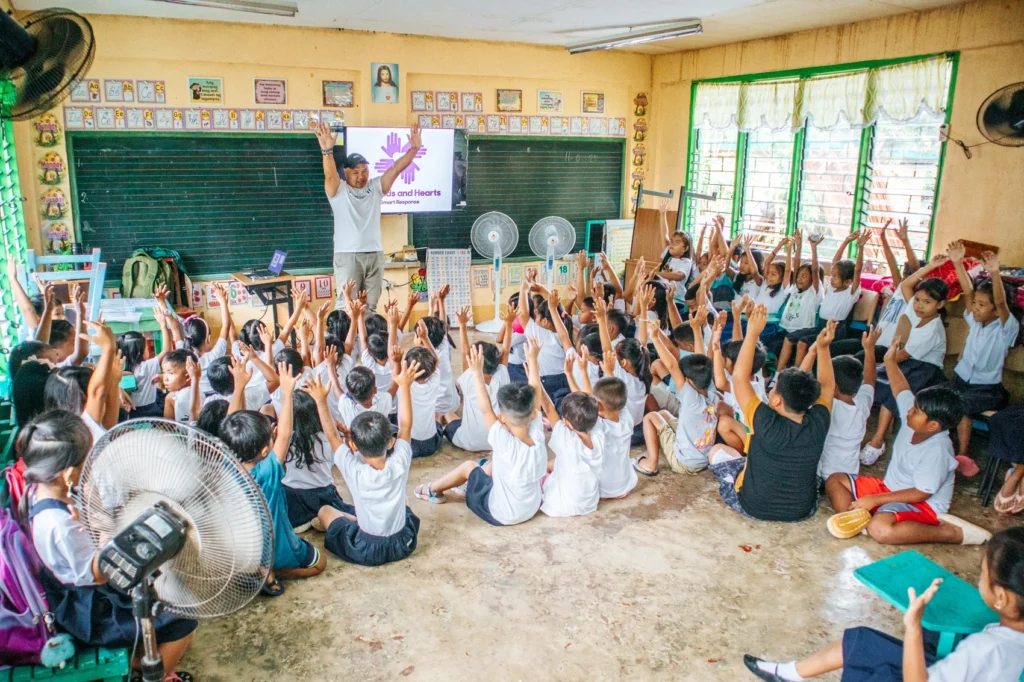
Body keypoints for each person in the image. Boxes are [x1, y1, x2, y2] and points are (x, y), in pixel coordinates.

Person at [21, 410, 196, 680]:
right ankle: (148, 670)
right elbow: (100, 570)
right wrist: (103, 530)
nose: (89, 470)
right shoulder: (57, 524)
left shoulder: (39, 490)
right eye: (85, 465)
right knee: (185, 620)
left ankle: (142, 660)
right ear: (67, 474)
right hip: (91, 611)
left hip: (82, 593)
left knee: (159, 582)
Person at [743, 526, 1024, 682]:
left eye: (983, 575)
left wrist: (912, 626)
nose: (979, 580)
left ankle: (789, 674)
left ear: (1002, 597)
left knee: (868, 649)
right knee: (929, 634)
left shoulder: (985, 649)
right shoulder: (1002, 640)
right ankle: (791, 673)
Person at [825, 341, 990, 546]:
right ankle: (857, 519)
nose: (908, 411)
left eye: (916, 411)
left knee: (881, 529)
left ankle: (950, 533)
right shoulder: (915, 419)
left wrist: (875, 501)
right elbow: (900, 388)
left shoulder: (938, 450)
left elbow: (921, 492)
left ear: (932, 425)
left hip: (922, 504)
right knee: (835, 479)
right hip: (889, 489)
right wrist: (890, 361)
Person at [709, 307, 834, 522]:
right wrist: (822, 349)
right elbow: (828, 386)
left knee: (717, 452)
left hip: (754, 506)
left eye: (774, 389)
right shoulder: (819, 421)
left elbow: (738, 378)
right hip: (802, 509)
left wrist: (752, 334)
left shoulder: (764, 420)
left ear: (776, 400)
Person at [413, 341, 548, 528]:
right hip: (530, 507)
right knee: (493, 463)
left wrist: (476, 372)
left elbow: (485, 409)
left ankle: (431, 489)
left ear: (501, 418)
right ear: (533, 413)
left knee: (469, 466)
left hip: (500, 513)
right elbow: (535, 396)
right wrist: (533, 361)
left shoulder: (503, 439)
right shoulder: (538, 434)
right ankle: (468, 482)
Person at [221, 361, 327, 596]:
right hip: (277, 548)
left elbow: (229, 428)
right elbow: (287, 434)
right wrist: (287, 393)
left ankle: (255, 573)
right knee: (320, 563)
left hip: (240, 553)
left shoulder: (224, 468)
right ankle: (277, 572)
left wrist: (239, 387)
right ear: (264, 451)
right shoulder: (267, 471)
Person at [313, 358, 421, 567]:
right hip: (403, 543)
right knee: (404, 501)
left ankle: (352, 520)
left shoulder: (353, 469)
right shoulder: (399, 463)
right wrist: (404, 386)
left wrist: (320, 400)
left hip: (367, 548)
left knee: (325, 512)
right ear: (391, 442)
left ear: (353, 445)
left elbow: (332, 435)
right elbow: (406, 426)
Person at [315, 121, 423, 311]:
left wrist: (414, 149)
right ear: (346, 172)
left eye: (365, 171)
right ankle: (347, 341)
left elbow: (396, 168)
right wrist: (327, 151)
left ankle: (367, 341)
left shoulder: (375, 188)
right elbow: (330, 175)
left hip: (374, 254)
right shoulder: (338, 190)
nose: (361, 176)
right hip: (348, 255)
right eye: (356, 172)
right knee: (347, 306)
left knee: (370, 306)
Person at [861, 256, 950, 466]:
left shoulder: (934, 329)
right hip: (905, 363)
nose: (919, 305)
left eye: (927, 302)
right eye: (917, 300)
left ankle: (877, 441)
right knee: (870, 382)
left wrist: (877, 362)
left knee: (894, 393)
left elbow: (902, 356)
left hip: (925, 371)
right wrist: (932, 266)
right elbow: (906, 284)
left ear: (940, 304)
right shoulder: (915, 309)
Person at [947, 244, 1017, 476]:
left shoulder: (1006, 327)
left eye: (982, 305)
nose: (975, 308)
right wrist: (958, 262)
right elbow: (968, 292)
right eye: (975, 304)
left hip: (988, 389)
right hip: (961, 380)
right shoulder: (975, 321)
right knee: (942, 399)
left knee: (963, 405)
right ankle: (943, 450)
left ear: (995, 310)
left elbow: (1001, 303)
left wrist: (995, 273)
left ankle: (964, 455)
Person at [635, 314, 717, 476]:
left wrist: (655, 337)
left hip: (683, 463)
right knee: (663, 414)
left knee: (650, 417)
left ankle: (650, 464)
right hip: (704, 457)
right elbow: (700, 357)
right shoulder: (713, 393)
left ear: (688, 381)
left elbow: (672, 365)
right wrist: (697, 331)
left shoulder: (689, 396)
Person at [279, 380, 348, 534]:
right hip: (323, 495)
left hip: (294, 498)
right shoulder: (327, 437)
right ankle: (320, 517)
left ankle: (303, 520)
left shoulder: (283, 441)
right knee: (337, 511)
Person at [792, 230, 869, 366]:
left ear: (848, 281)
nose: (831, 279)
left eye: (836, 277)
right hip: (821, 325)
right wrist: (846, 241)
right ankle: (798, 371)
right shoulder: (832, 287)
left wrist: (861, 247)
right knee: (801, 341)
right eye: (832, 275)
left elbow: (857, 270)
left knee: (806, 345)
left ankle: (800, 373)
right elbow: (835, 261)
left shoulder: (850, 293)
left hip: (835, 330)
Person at [567, 357, 637, 500]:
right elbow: (615, 394)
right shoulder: (627, 418)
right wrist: (609, 372)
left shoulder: (599, 426)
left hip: (604, 489)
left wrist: (571, 373)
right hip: (625, 485)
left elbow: (583, 400)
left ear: (598, 407)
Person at [815, 325, 880, 481]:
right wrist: (869, 349)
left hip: (820, 476)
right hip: (849, 477)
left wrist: (821, 348)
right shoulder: (862, 405)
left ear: (834, 386)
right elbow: (870, 379)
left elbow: (824, 384)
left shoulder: (828, 407)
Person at [445, 306, 510, 451]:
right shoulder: (502, 374)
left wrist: (462, 325)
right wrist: (509, 323)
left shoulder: (470, 376)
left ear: (472, 361)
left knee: (447, 413)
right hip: (496, 441)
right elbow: (505, 351)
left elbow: (464, 352)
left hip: (470, 442)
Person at [538, 389, 605, 518]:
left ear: (566, 423)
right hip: (589, 503)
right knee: (556, 462)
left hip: (562, 506)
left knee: (540, 474)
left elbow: (548, 407)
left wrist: (534, 375)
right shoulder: (599, 434)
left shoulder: (566, 439)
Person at [776, 229, 824, 370]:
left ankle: (792, 373)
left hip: (802, 330)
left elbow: (814, 270)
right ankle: (778, 374)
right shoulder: (795, 288)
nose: (799, 278)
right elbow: (795, 266)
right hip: (786, 329)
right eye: (799, 276)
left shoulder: (814, 292)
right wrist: (798, 245)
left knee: (791, 343)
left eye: (804, 276)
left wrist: (813, 248)